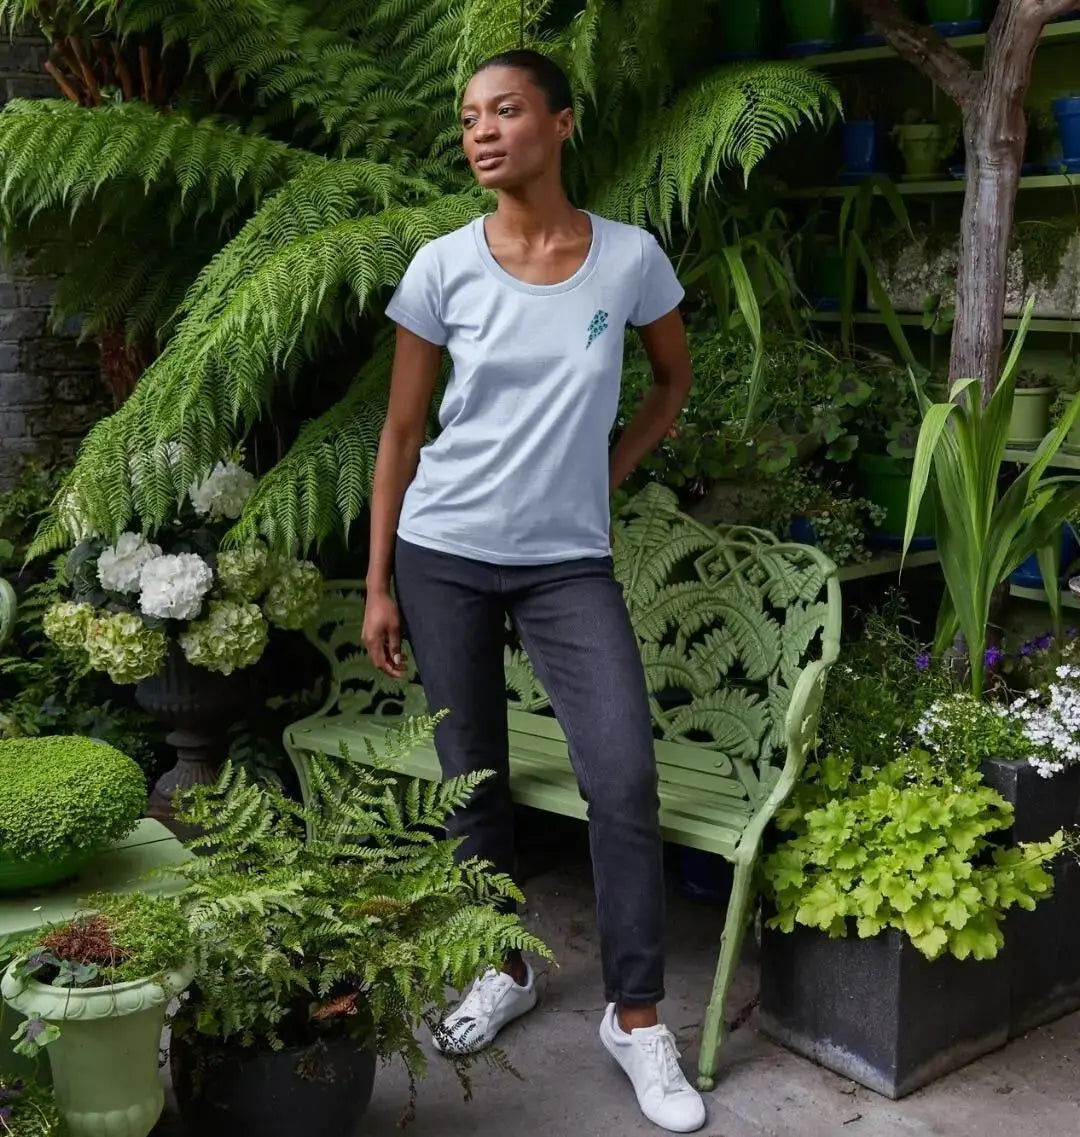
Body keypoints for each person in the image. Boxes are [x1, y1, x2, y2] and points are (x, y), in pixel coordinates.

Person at [363, 48, 702, 1134]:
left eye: (506, 111)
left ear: (561, 123)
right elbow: (403, 432)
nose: (483, 133)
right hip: (443, 548)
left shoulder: (631, 261)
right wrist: (377, 585)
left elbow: (670, 380)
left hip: (567, 563)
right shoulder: (441, 268)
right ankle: (499, 965)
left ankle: (637, 1018)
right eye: (469, 119)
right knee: (472, 779)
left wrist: (603, 479)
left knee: (624, 778)